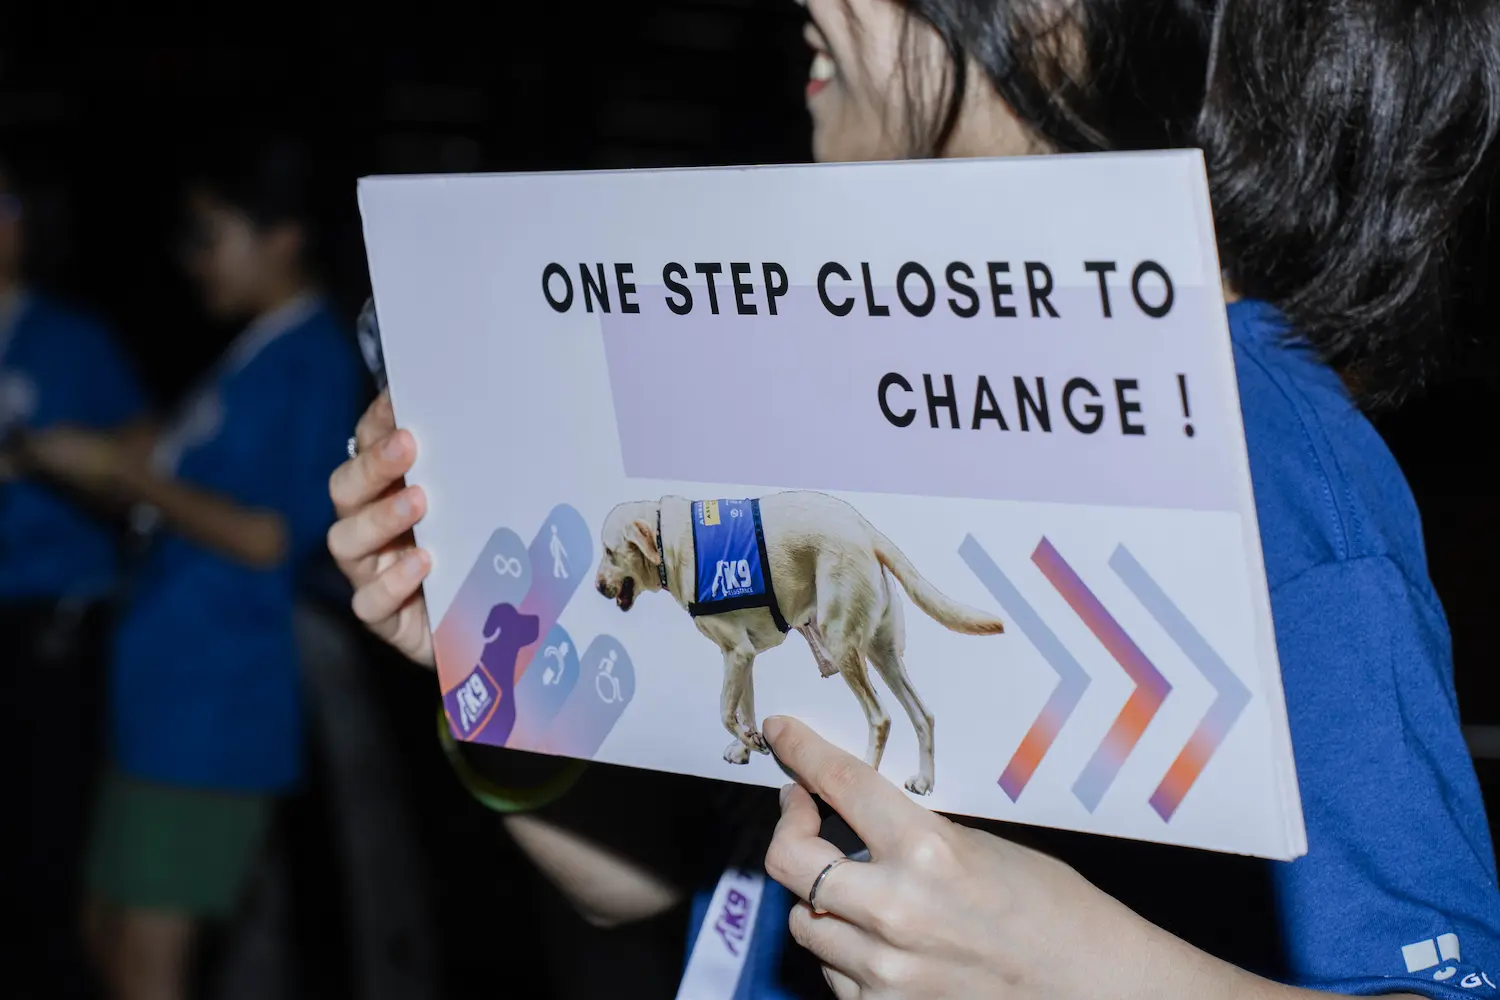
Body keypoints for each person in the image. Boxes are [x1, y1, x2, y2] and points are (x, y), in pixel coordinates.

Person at [327, 0, 1500, 997]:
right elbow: (646, 884)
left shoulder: (1258, 442)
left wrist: (1069, 965)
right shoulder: (856, 383)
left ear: (1054, 21)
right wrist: (479, 659)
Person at [23, 138, 363, 1000]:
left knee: (149, 962)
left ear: (282, 236)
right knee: (104, 928)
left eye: (210, 235)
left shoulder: (312, 359)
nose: (192, 260)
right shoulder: (252, 352)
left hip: (216, 712)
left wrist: (129, 475)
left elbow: (272, 538)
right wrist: (122, 459)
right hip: (162, 702)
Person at [0, 158, 150, 1000]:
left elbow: (144, 458)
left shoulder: (72, 338)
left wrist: (57, 463)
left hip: (56, 623)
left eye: (6, 203)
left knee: (50, 850)